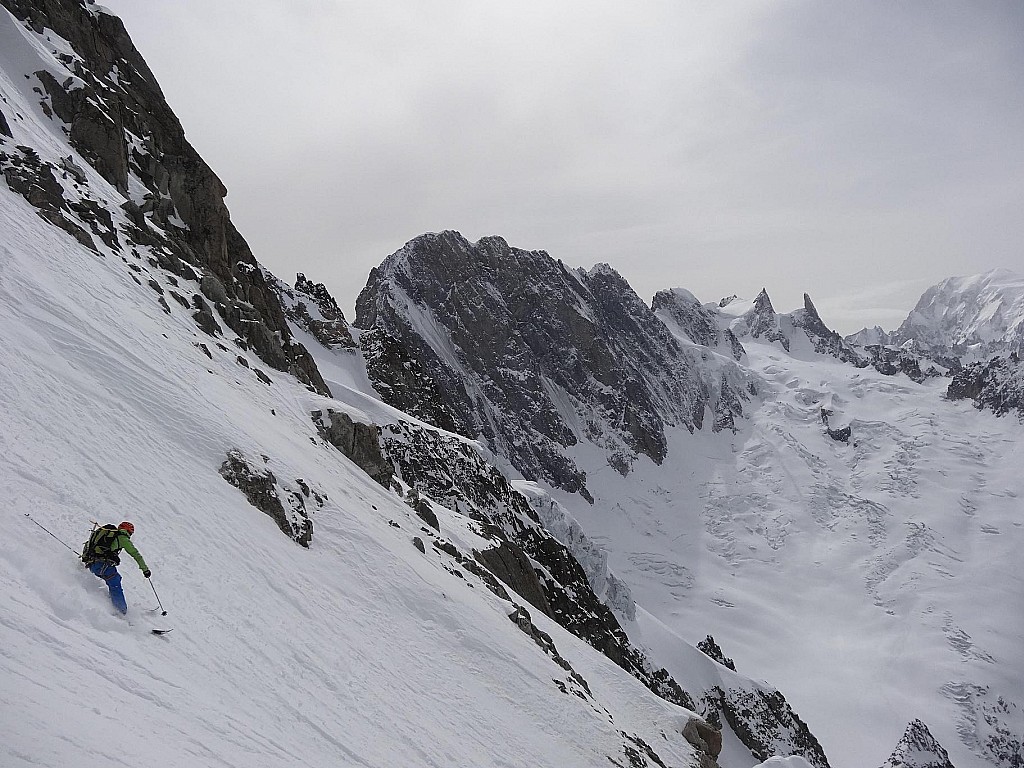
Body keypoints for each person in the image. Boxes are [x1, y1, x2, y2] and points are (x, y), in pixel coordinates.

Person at [81, 521, 151, 615]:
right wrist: (145, 569)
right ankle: (121, 612)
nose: (130, 535)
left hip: (92, 563)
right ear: (128, 531)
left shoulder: (107, 535)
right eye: (130, 533)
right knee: (115, 582)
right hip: (103, 566)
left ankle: (112, 603)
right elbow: (135, 554)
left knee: (112, 581)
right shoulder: (123, 538)